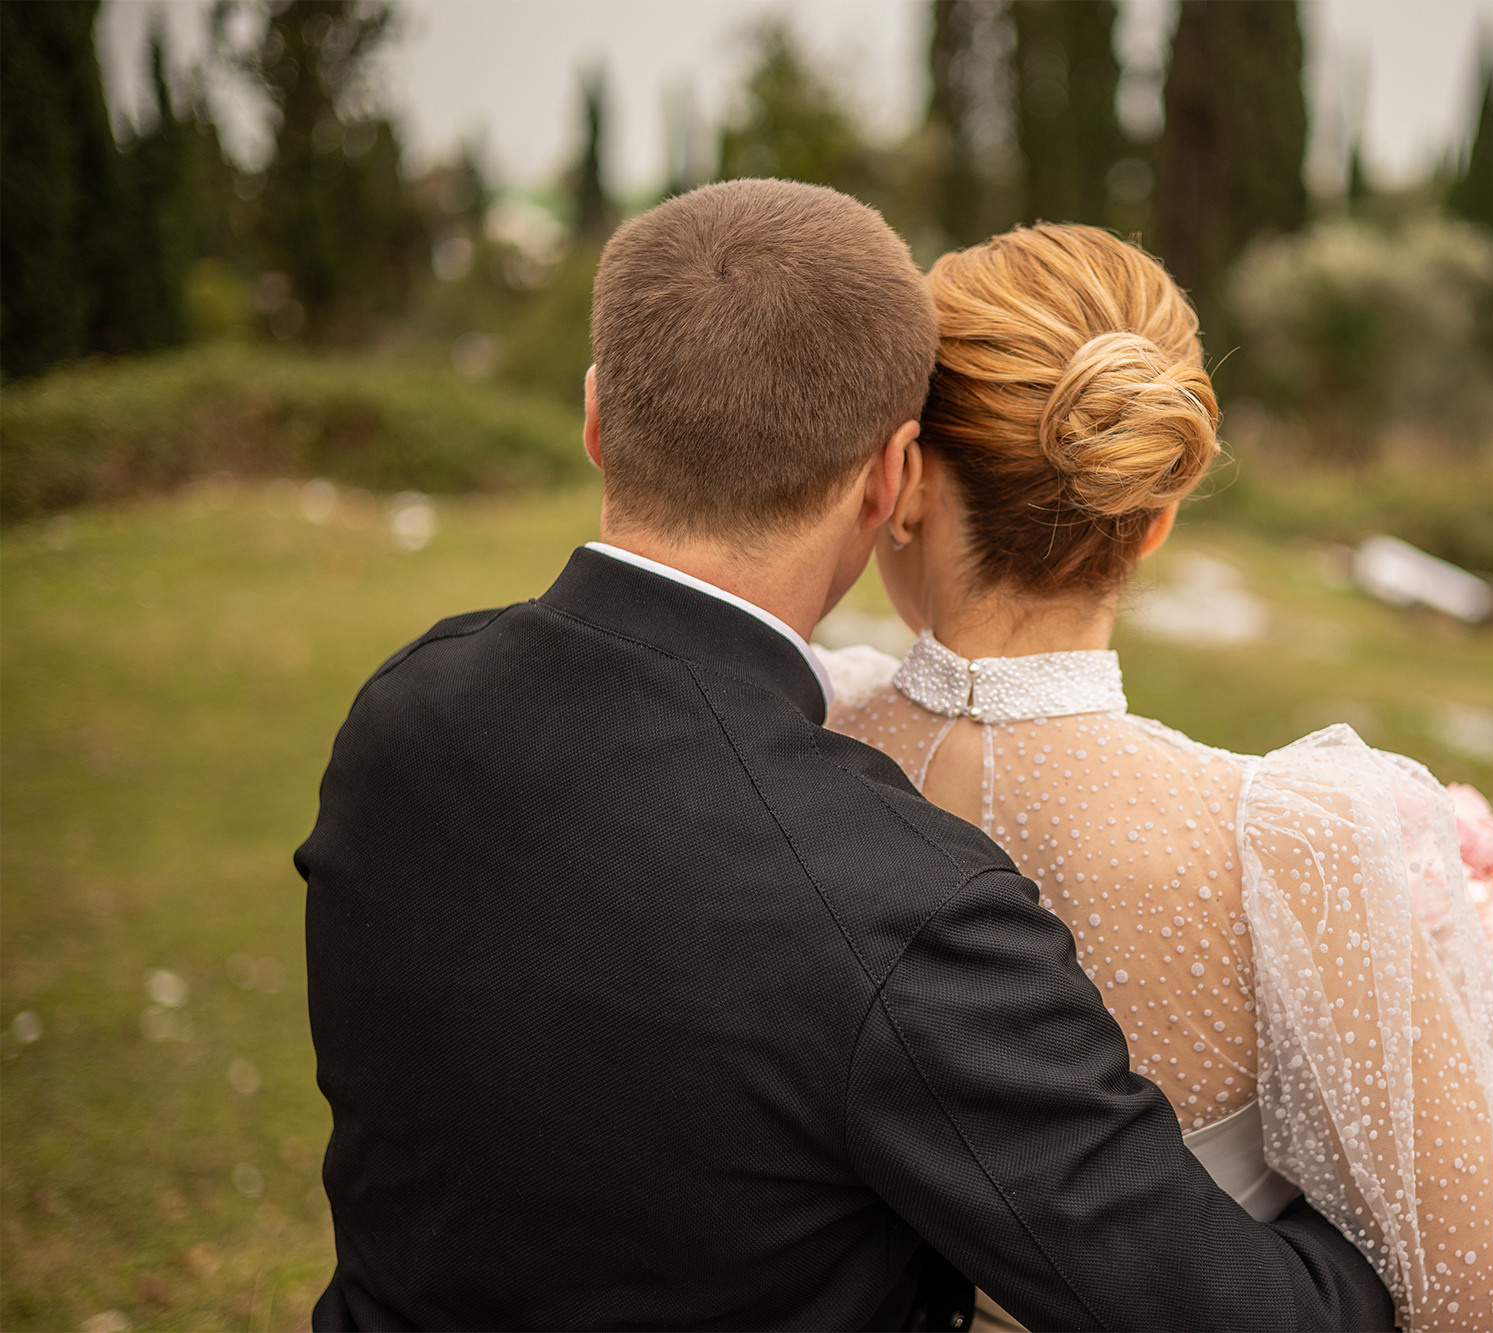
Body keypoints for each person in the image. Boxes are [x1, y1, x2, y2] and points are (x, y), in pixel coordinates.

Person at [297, 180, 1397, 1331]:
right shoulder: (899, 905)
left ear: (594, 418)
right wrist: (1359, 1206)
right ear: (889, 477)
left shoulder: (401, 710)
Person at [818, 224, 1493, 1332]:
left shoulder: (800, 734)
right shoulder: (1293, 841)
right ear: (1156, 511)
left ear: (906, 478)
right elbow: (1489, 1299)